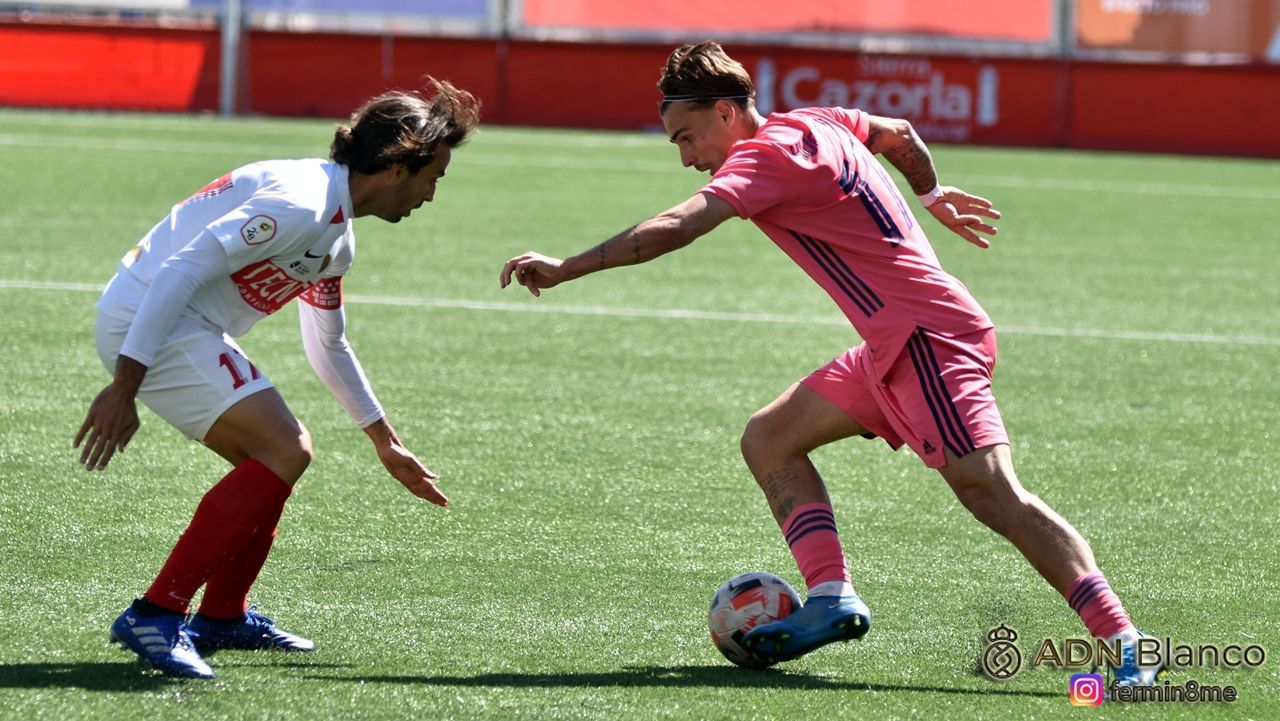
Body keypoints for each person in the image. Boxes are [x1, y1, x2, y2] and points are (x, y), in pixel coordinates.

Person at [500, 42, 1160, 684]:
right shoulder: (818, 120)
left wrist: (567, 268)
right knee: (770, 438)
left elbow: (678, 225)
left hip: (928, 340)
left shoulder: (765, 156)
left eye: (688, 137)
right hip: (891, 346)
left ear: (726, 111)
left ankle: (1127, 643)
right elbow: (899, 133)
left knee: (995, 495)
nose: (687, 157)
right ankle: (831, 595)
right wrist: (931, 194)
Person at [75, 78, 479, 679]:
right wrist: (124, 387)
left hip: (181, 325)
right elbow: (180, 270)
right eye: (433, 177)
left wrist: (384, 440)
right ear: (398, 168)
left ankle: (222, 616)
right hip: (150, 320)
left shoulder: (335, 234)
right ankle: (156, 613)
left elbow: (326, 340)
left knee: (275, 458)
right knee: (285, 449)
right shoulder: (300, 203)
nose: (432, 193)